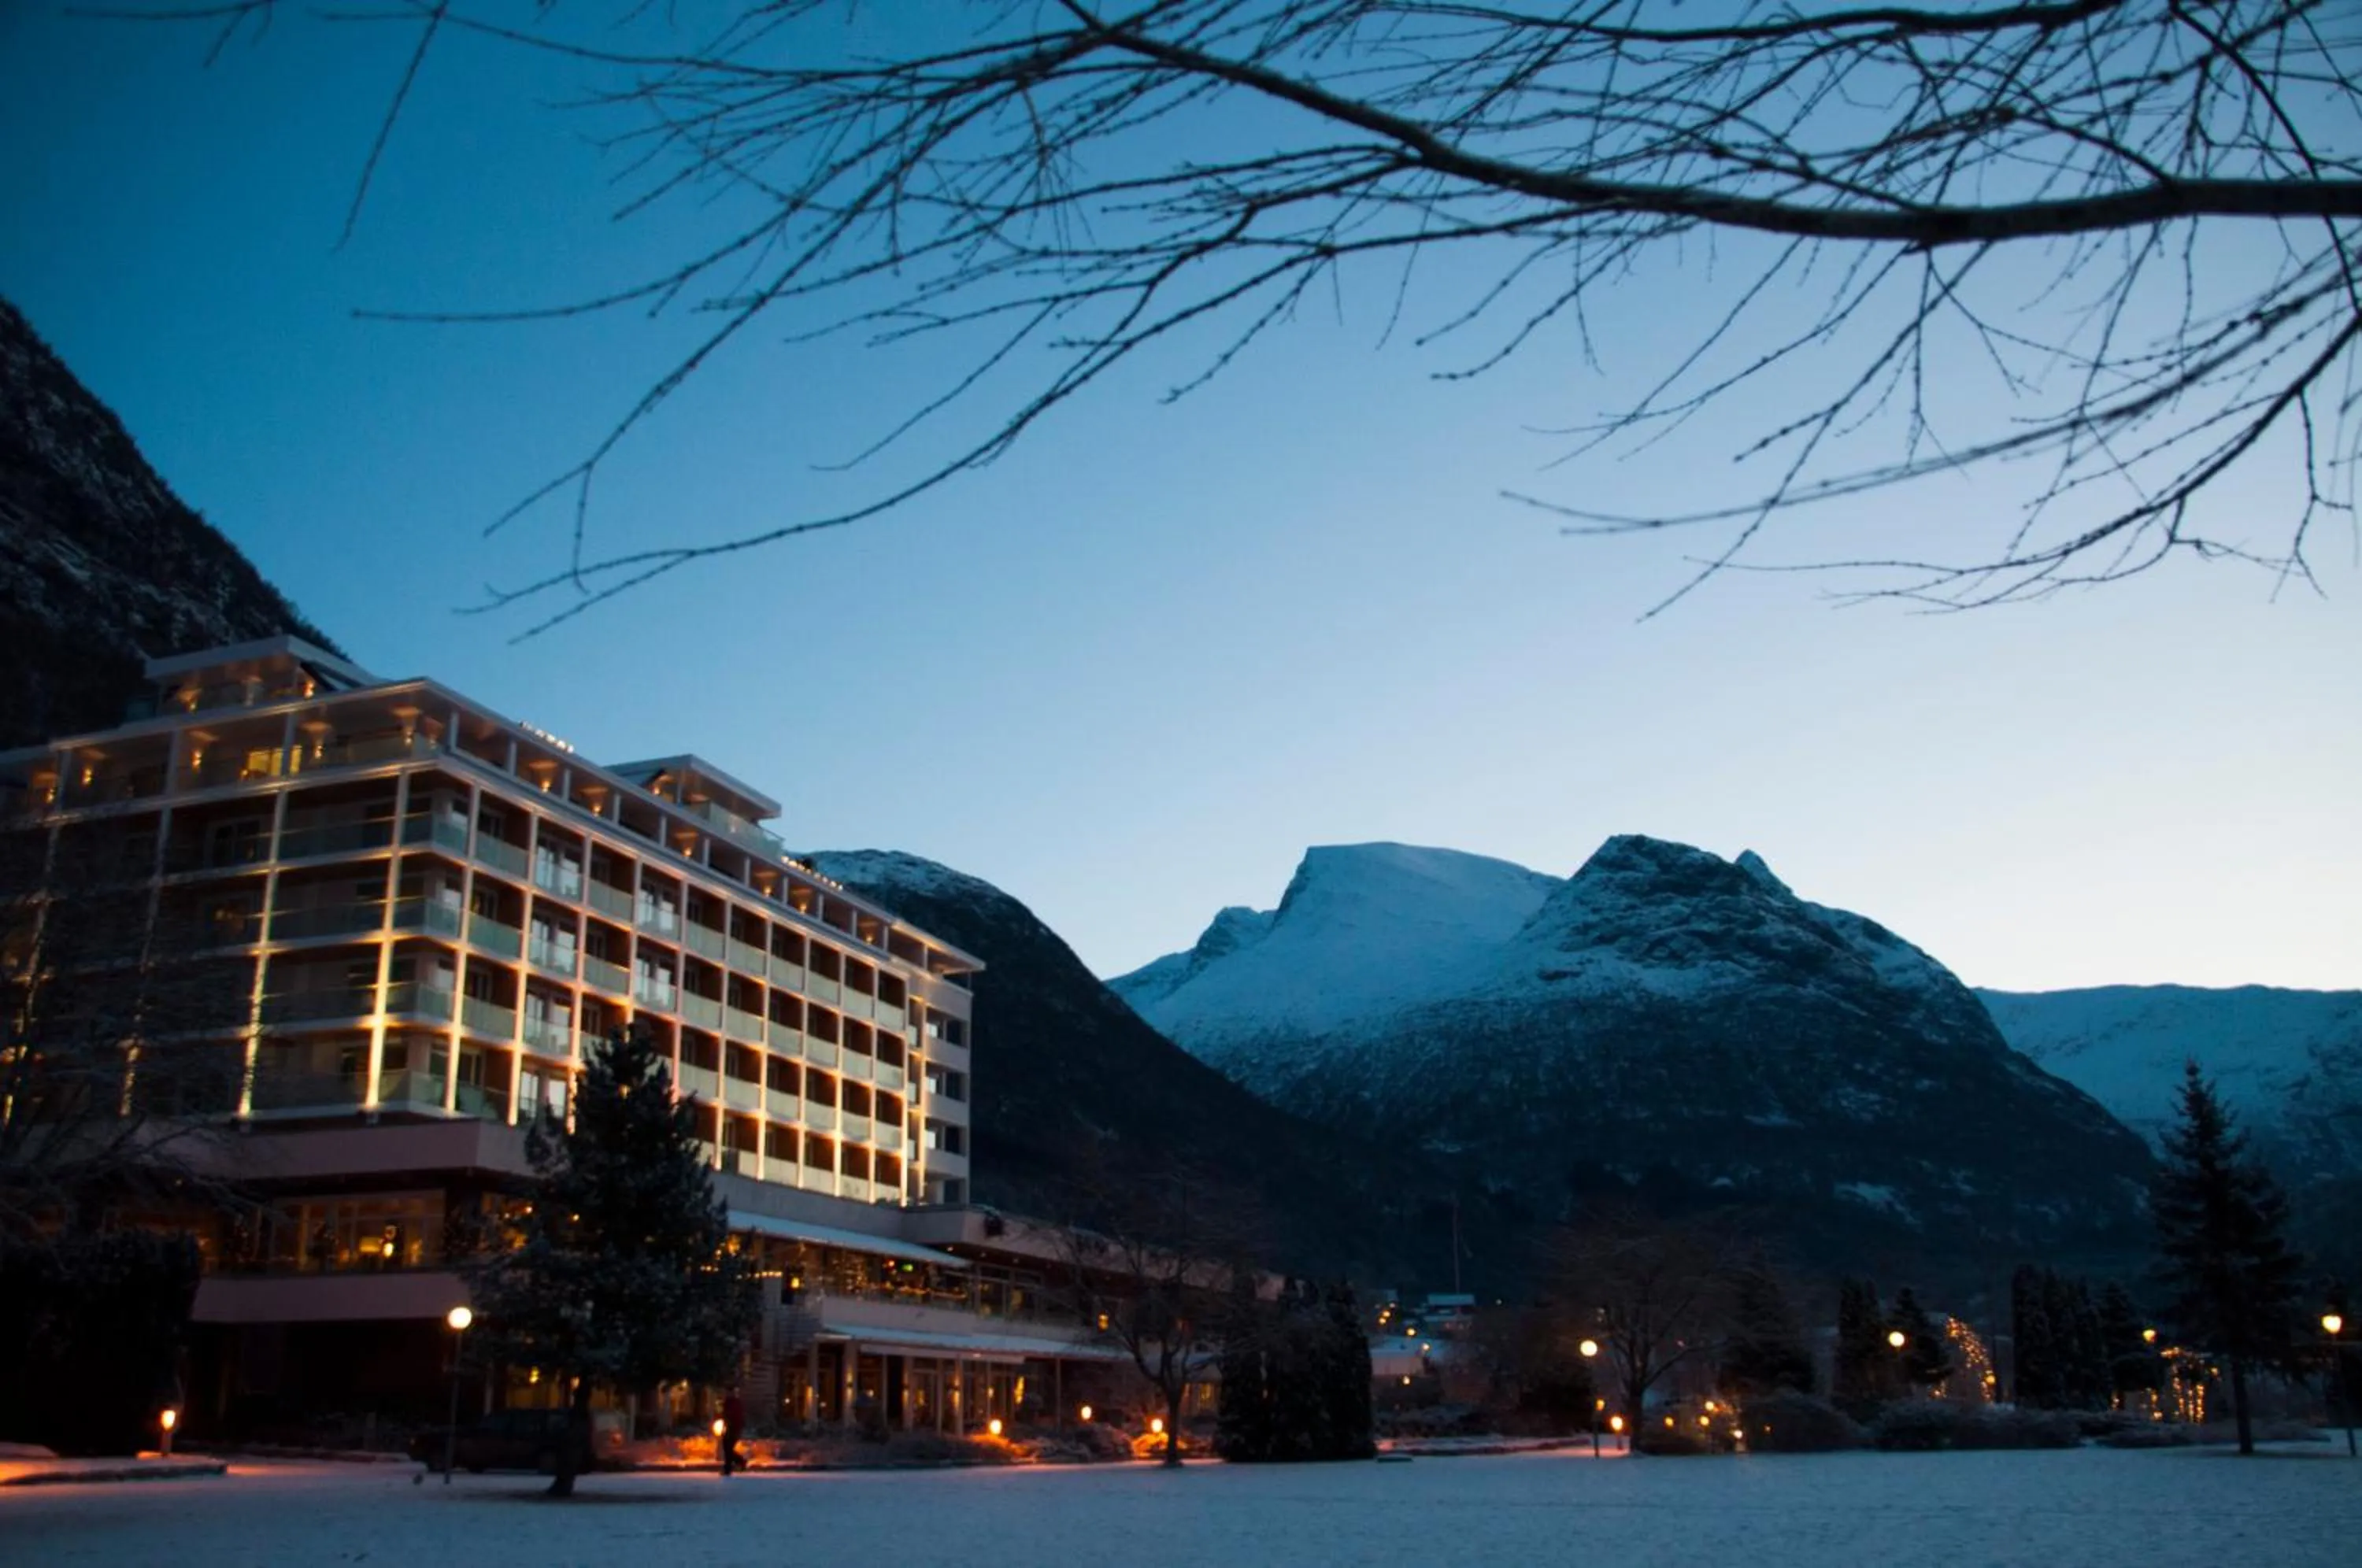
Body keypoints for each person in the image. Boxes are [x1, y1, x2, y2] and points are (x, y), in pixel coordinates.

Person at [720, 1388, 746, 1477]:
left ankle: (730, 1467)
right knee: (727, 1448)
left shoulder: (733, 1403)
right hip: (731, 1428)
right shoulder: (729, 1402)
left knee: (728, 1448)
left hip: (734, 1428)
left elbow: (730, 1416)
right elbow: (725, 1416)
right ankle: (738, 1462)